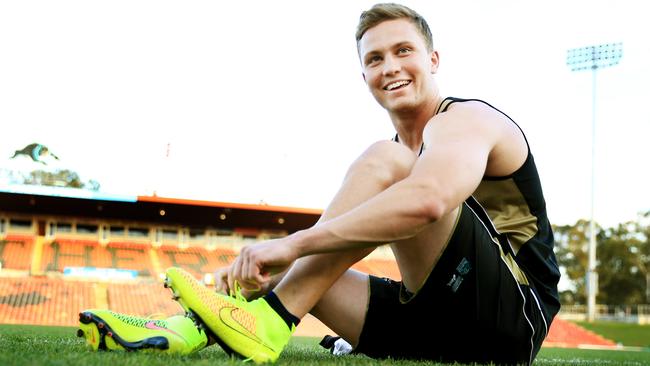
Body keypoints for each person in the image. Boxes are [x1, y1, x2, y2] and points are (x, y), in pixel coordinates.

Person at [80, 3, 560, 365]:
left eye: (403, 51)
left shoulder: (465, 120)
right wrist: (287, 256)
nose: (389, 66)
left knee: (384, 162)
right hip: (435, 322)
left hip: (511, 320)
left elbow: (429, 202)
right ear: (364, 75)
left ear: (433, 60)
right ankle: (180, 330)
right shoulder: (401, 147)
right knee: (284, 272)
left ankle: (272, 321)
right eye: (375, 59)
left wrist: (292, 243)